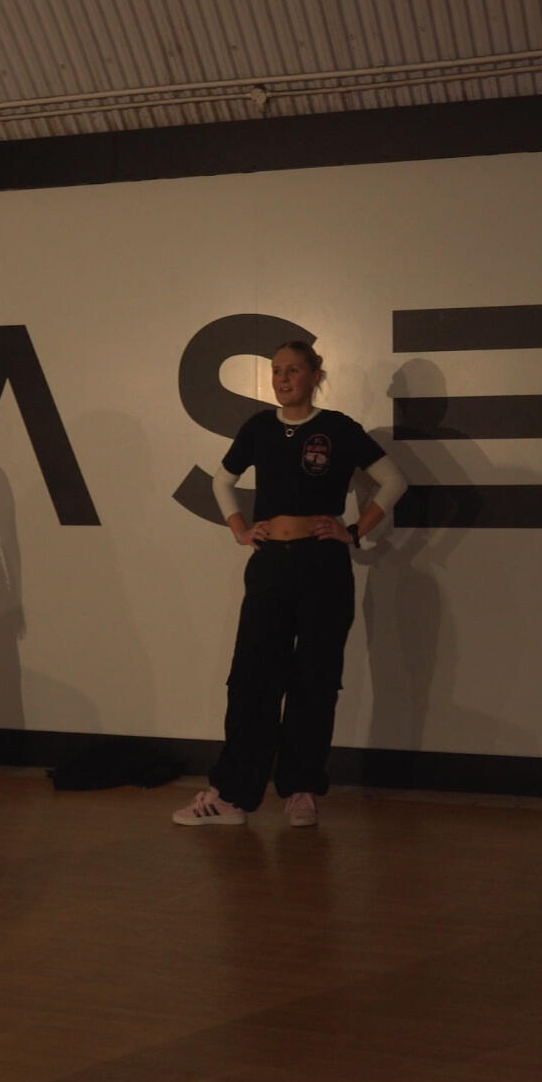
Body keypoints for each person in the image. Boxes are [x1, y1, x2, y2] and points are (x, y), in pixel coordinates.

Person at [173, 342, 406, 828]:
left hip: (324, 566)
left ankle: (301, 790)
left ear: (315, 375)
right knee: (252, 678)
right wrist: (240, 529)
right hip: (271, 565)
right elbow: (221, 481)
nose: (283, 379)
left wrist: (354, 532)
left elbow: (393, 482)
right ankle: (232, 796)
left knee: (315, 679)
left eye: (294, 370)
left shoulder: (338, 428)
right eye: (277, 371)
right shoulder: (259, 427)